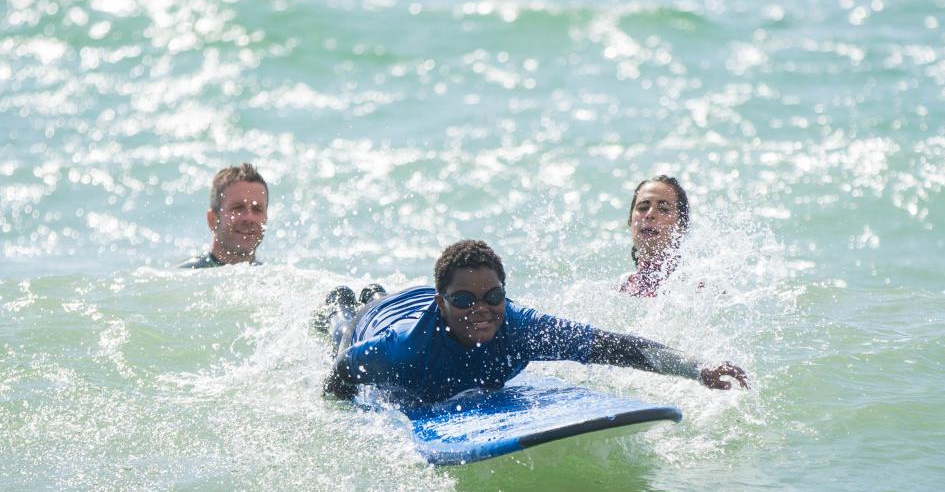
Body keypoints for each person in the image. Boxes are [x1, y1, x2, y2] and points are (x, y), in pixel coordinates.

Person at [320, 239, 747, 403]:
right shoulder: (401, 350)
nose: (480, 310)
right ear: (444, 301)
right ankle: (350, 304)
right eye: (465, 301)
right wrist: (348, 413)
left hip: (415, 299)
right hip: (380, 320)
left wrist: (696, 369)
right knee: (346, 323)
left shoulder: (522, 329)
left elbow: (617, 346)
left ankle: (377, 292)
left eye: (493, 296)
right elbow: (342, 369)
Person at [177, 163, 269, 268]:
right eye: (238, 208)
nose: (249, 218)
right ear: (212, 220)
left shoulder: (272, 279)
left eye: (257, 209)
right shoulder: (187, 275)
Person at [621, 175, 688, 297]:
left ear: (680, 226)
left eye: (663, 209)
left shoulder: (696, 287)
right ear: (631, 222)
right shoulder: (621, 289)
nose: (649, 214)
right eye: (642, 208)